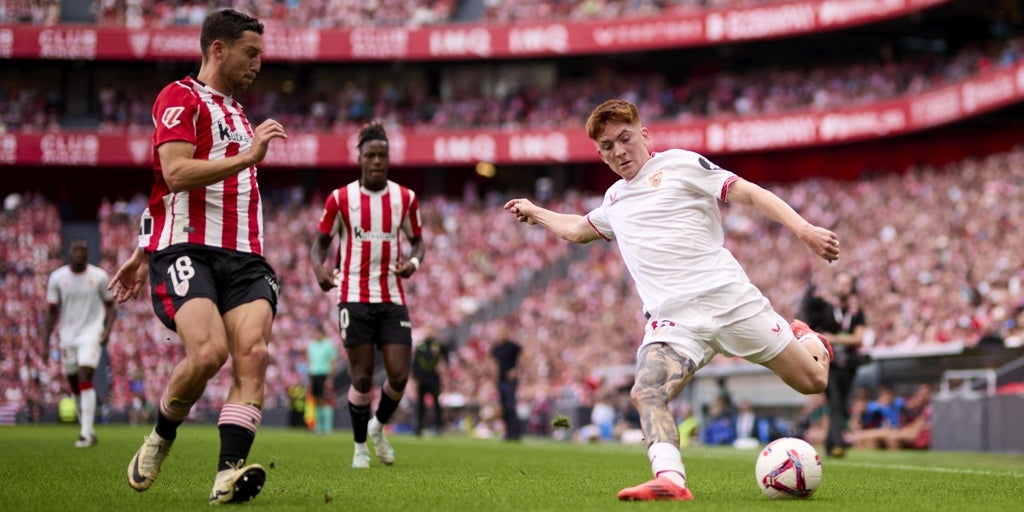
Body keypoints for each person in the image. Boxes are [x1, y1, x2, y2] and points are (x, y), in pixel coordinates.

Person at [504, 99, 837, 501]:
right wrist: (535, 211)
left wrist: (803, 230)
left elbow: (747, 193)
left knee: (813, 381)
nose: (619, 151)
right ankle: (670, 479)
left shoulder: (680, 164)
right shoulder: (614, 200)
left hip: (730, 301)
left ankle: (808, 339)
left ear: (644, 134)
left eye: (624, 139)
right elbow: (577, 229)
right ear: (600, 154)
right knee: (646, 390)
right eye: (607, 147)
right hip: (674, 321)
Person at [107, 8, 287, 504]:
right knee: (208, 353)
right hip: (189, 248)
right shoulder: (178, 97)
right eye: (250, 54)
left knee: (254, 354)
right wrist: (150, 250)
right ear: (218, 49)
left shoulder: (237, 112)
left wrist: (142, 247)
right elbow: (175, 175)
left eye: (261, 55)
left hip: (247, 255)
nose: (257, 64)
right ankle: (163, 432)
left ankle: (227, 477)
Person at [310, 120, 425, 469]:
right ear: (359, 158)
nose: (377, 161)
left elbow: (418, 239)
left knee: (400, 376)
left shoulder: (405, 198)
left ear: (389, 159)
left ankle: (377, 427)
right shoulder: (340, 199)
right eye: (371, 155)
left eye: (383, 156)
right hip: (353, 295)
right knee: (360, 377)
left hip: (391, 296)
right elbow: (320, 244)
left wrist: (414, 262)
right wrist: (320, 270)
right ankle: (360, 446)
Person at [42, 238, 116, 448]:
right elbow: (51, 313)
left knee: (85, 375)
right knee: (74, 383)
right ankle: (87, 429)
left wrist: (106, 330)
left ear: (87, 253)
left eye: (82, 250)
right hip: (68, 336)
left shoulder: (99, 276)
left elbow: (111, 307)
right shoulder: (57, 278)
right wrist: (45, 344)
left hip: (91, 333)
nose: (78, 253)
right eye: (75, 250)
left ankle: (86, 433)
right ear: (69, 252)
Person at [802, 271, 866, 457]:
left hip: (849, 364)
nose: (842, 287)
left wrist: (834, 338)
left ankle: (831, 444)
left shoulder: (856, 311)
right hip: (830, 363)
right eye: (840, 283)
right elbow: (809, 317)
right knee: (836, 401)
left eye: (846, 284)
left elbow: (859, 338)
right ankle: (839, 444)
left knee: (841, 403)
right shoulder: (827, 308)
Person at [412, 333, 448, 436]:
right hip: (422, 379)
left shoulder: (437, 345)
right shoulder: (420, 346)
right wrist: (415, 377)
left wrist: (444, 366)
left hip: (434, 379)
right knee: (420, 404)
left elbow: (447, 355)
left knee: (436, 403)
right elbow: (415, 363)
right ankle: (418, 426)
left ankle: (438, 426)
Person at [307, 323, 338, 434]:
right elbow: (310, 363)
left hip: (324, 374)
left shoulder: (329, 344)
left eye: (317, 333)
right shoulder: (311, 345)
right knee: (316, 400)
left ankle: (327, 428)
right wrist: (309, 379)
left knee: (325, 400)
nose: (315, 335)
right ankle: (318, 427)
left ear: (322, 333)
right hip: (314, 374)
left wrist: (329, 378)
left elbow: (332, 362)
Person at [490, 336, 522, 441]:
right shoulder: (497, 347)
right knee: (504, 407)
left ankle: (515, 433)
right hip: (501, 380)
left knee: (510, 406)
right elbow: (490, 359)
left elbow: (525, 355)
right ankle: (508, 432)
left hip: (510, 381)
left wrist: (516, 370)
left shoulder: (512, 346)